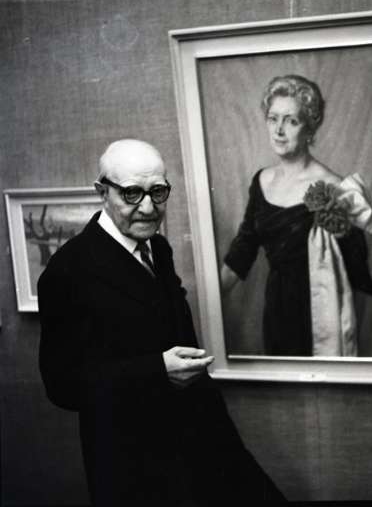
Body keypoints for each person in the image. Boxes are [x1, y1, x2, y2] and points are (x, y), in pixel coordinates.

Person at [38, 139, 286, 506]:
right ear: (102, 192)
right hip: (134, 467)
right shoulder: (67, 271)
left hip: (205, 442)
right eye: (131, 194)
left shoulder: (158, 247)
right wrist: (157, 371)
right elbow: (62, 386)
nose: (148, 208)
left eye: (158, 192)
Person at [221, 74, 372, 357]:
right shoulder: (261, 181)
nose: (279, 130)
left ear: (309, 127)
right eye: (273, 119)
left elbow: (356, 267)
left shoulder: (333, 187)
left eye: (291, 121)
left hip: (318, 313)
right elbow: (242, 250)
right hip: (276, 312)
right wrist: (205, 300)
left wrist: (343, 230)